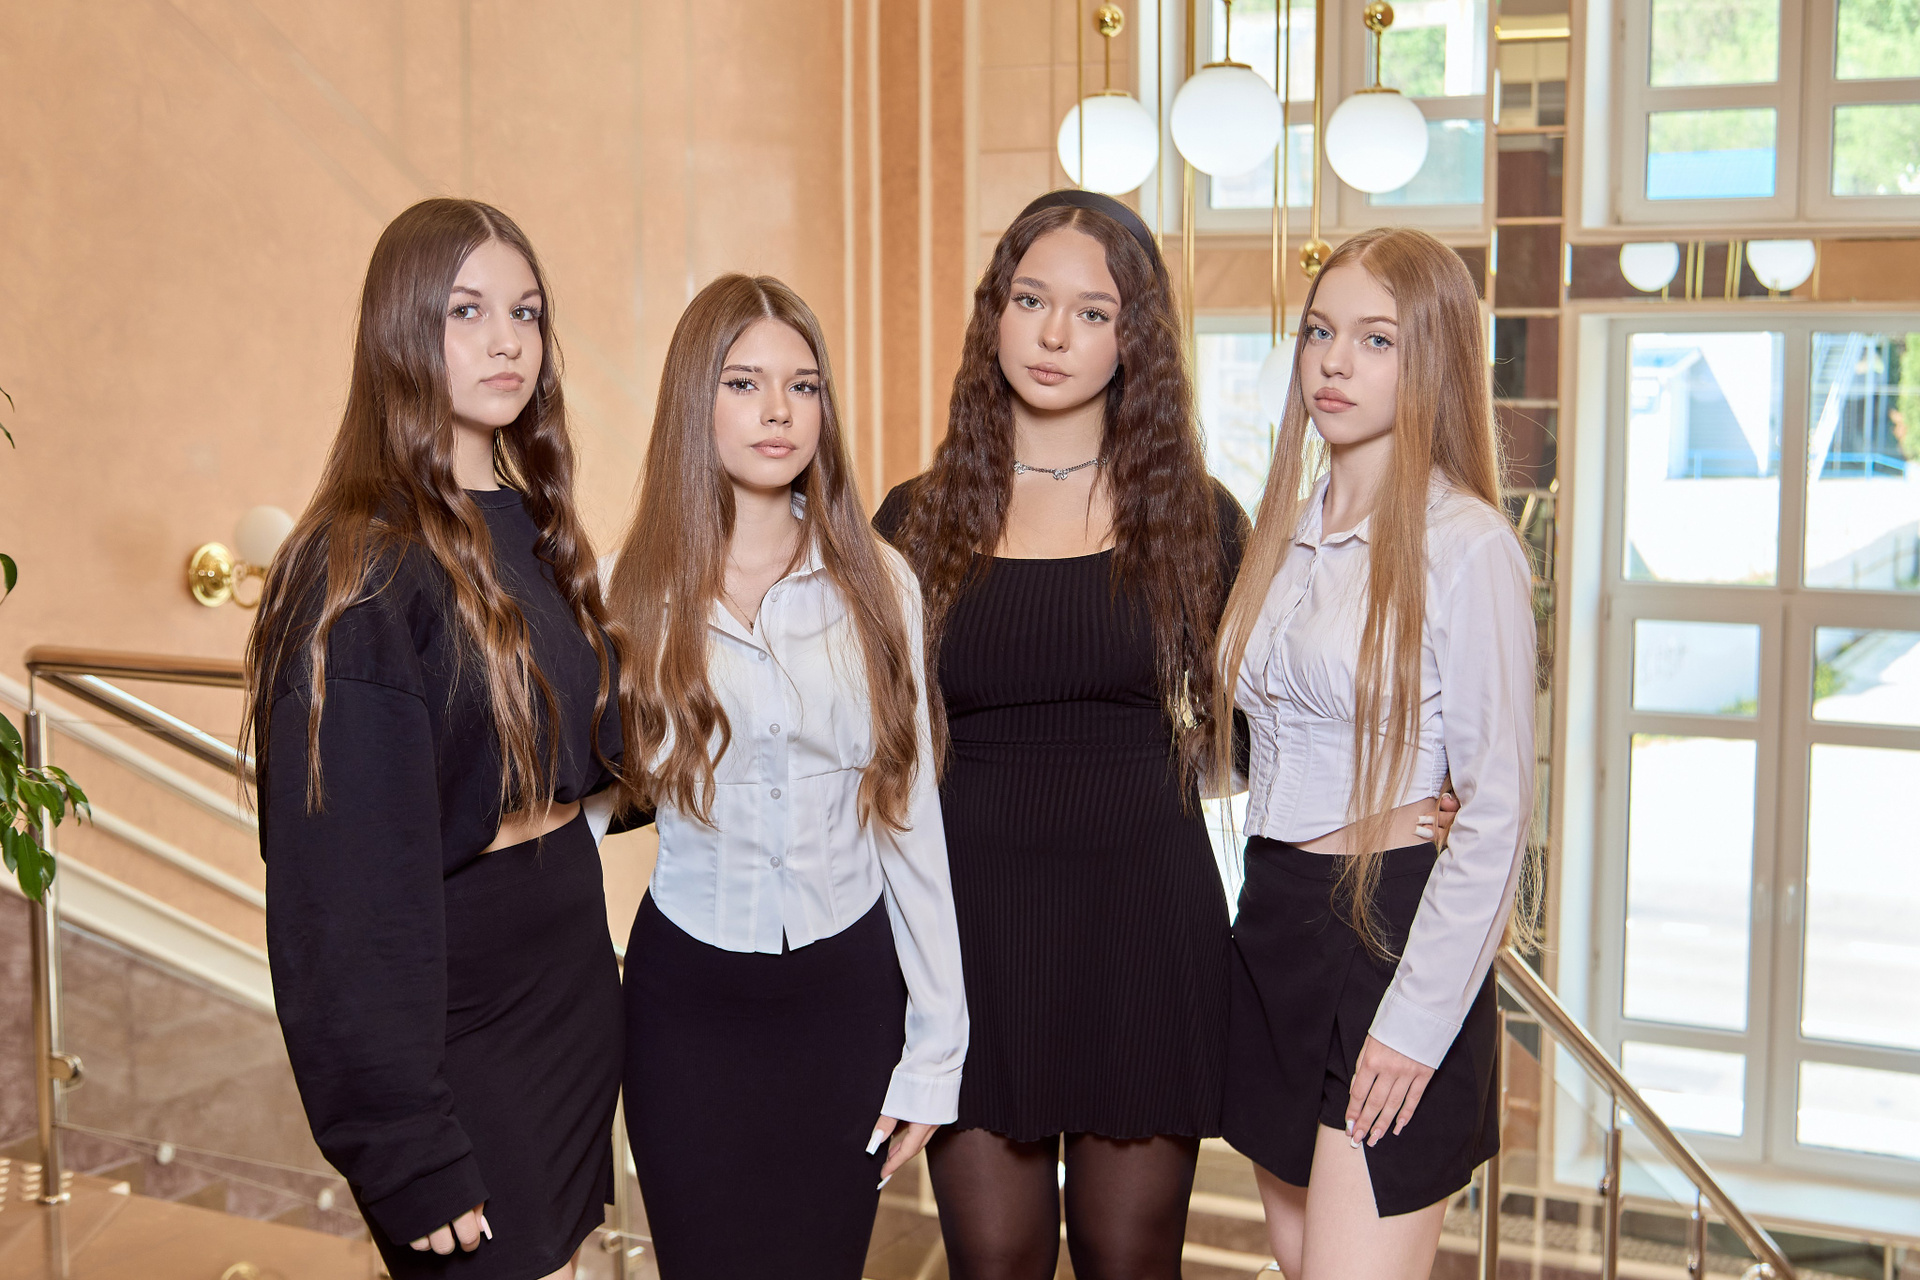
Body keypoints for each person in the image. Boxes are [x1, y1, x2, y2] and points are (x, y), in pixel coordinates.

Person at [246, 199, 624, 1280]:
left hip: (567, 979)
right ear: (402, 328)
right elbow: (340, 893)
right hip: (462, 1015)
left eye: (526, 312)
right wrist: (399, 1139)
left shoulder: (533, 524)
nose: (507, 341)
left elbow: (585, 745)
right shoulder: (356, 562)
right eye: (467, 311)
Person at [873, 189, 1244, 1279]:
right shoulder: (912, 520)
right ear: (995, 313)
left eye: (1092, 312)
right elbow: (868, 740)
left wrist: (1401, 799)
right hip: (971, 932)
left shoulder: (1197, 516)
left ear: (1134, 339)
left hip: (1145, 926)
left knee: (1132, 1259)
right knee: (994, 1259)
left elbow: (1268, 727)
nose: (1053, 335)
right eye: (1031, 300)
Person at [597, 273, 966, 1280]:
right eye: (744, 382)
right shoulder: (625, 585)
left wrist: (937, 1047)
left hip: (844, 998)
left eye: (802, 386)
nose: (778, 411)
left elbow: (909, 815)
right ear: (694, 399)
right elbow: (583, 806)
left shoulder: (880, 581)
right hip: (684, 1000)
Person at [1215, 227, 1537, 1279]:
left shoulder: (1467, 544)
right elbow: (1259, 740)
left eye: (1376, 339)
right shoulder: (1282, 534)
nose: (1335, 362)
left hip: (1391, 933)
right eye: (1320, 332)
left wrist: (1418, 1020)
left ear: (1431, 357)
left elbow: (1497, 810)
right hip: (1273, 921)